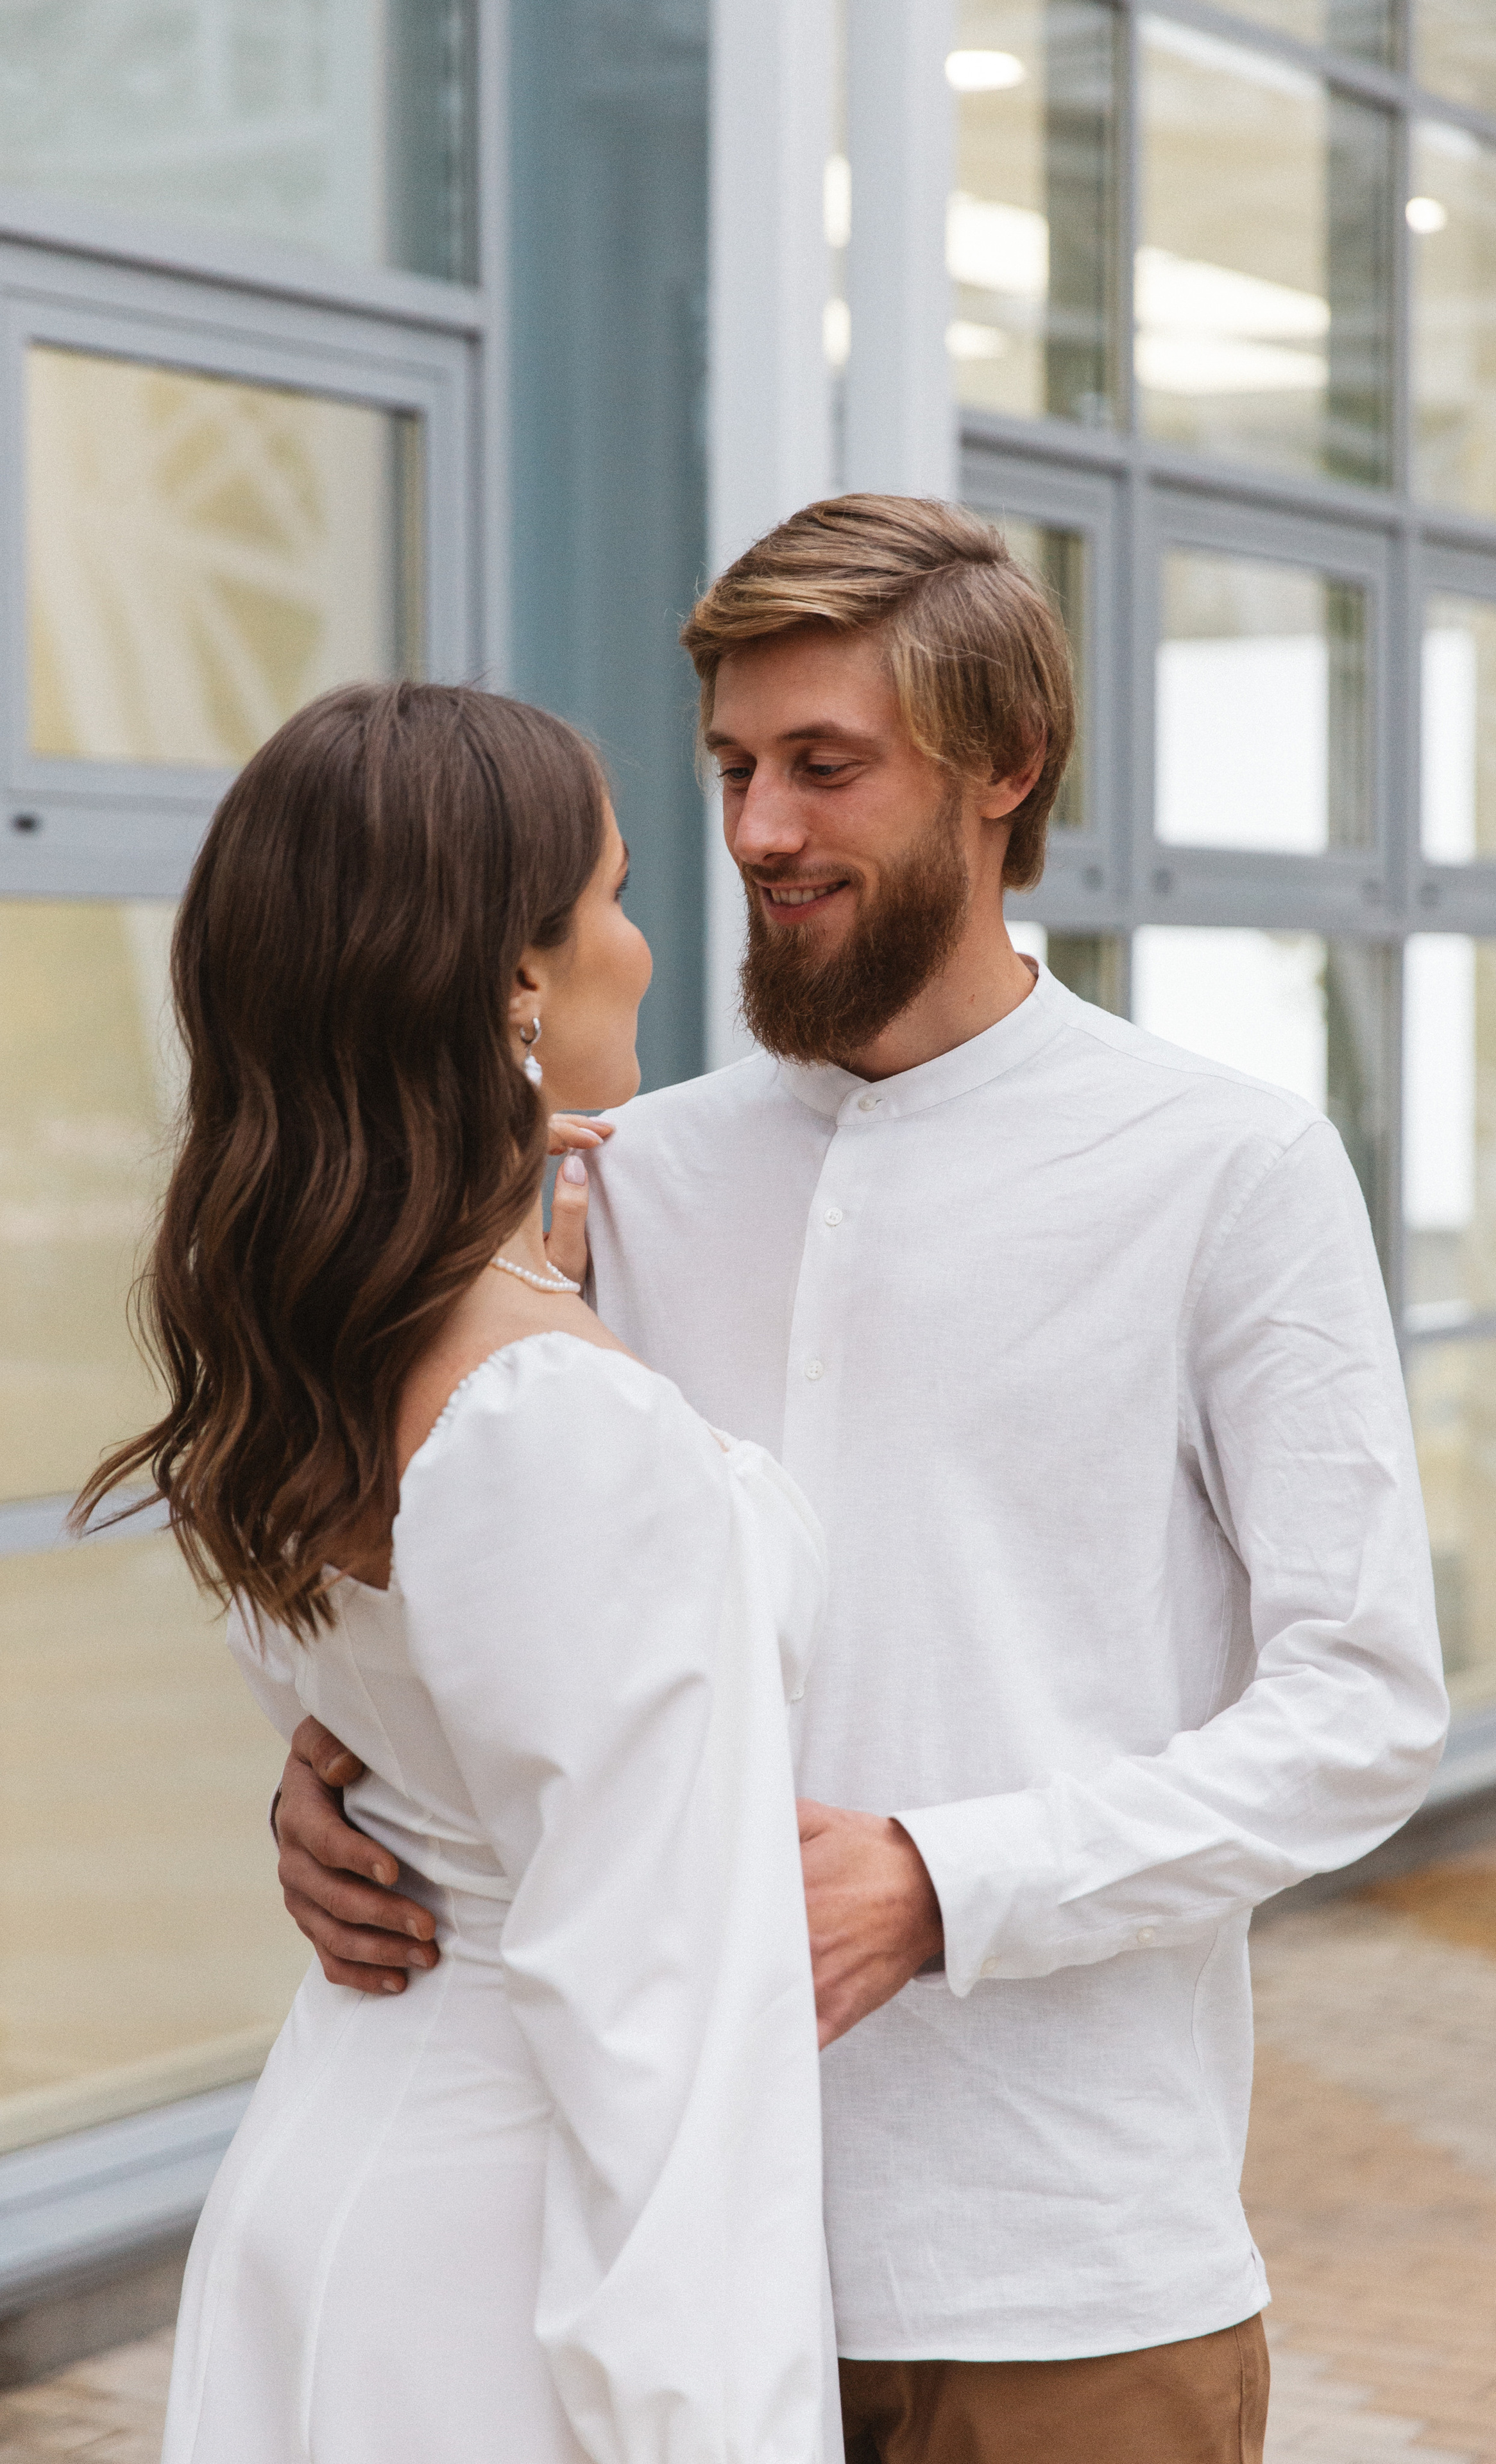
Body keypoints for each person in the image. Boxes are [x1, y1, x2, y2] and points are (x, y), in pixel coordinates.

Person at [274, 498, 1450, 2464]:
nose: (758, 832)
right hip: (645, 2254)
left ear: (1006, 771)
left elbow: (1361, 1712)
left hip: (1065, 2275)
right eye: (733, 769)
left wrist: (936, 1882)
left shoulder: (1228, 1170)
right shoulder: (621, 1171)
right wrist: (337, 1787)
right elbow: (517, 1594)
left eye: (828, 768)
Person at [79, 683, 841, 2464]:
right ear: (515, 980)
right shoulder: (548, 1417)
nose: (650, 948)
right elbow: (660, 2017)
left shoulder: (321, 1335)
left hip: (347, 2153)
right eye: (618, 895)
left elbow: (410, 1717)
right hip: (517, 2258)